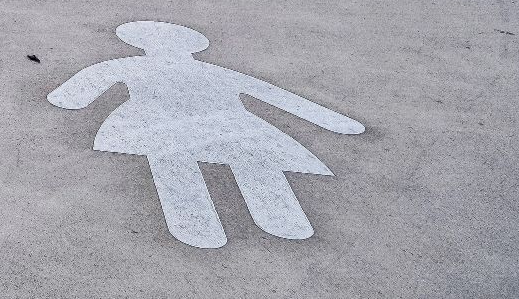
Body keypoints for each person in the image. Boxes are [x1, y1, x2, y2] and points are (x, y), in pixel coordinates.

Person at [48, 22, 364, 249]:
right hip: (230, 125)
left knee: (181, 164)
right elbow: (277, 97)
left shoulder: (130, 64)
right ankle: (279, 222)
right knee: (248, 161)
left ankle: (202, 229)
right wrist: (332, 121)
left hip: (156, 124)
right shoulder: (212, 72)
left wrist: (71, 99)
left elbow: (80, 89)